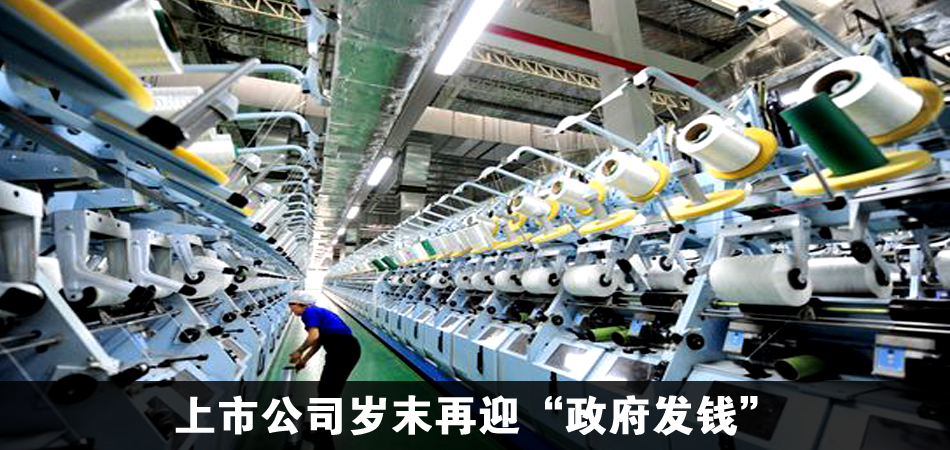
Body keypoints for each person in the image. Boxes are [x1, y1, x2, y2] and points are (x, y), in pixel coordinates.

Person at [288, 294, 361, 397]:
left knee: (328, 388)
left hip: (343, 349)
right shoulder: (316, 312)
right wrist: (304, 360)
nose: (291, 310)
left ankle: (327, 407)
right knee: (330, 387)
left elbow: (313, 336)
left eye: (292, 306)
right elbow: (317, 342)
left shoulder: (309, 312)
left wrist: (299, 351)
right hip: (346, 349)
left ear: (300, 304)